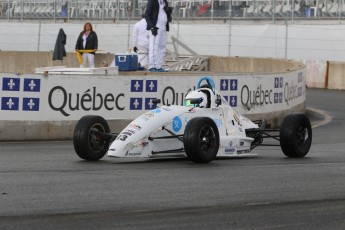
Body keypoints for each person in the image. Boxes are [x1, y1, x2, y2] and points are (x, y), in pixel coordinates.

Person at [145, 0, 172, 72]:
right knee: (154, 47)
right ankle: (152, 66)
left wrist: (168, 12)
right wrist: (151, 27)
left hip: (163, 27)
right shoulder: (152, 1)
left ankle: (158, 66)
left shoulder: (164, 1)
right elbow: (147, 14)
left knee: (162, 47)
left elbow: (166, 15)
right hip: (156, 27)